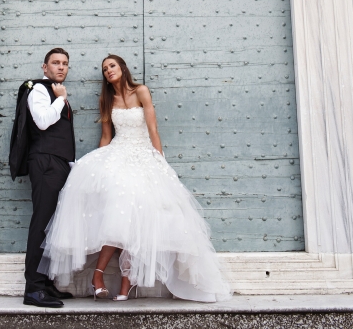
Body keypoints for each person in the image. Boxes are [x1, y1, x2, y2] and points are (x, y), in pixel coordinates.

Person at [39, 54, 231, 302]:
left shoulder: (141, 91)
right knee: (119, 213)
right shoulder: (106, 100)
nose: (108, 70)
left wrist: (160, 160)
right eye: (105, 68)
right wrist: (98, 166)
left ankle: (126, 282)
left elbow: (152, 129)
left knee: (138, 215)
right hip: (118, 154)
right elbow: (106, 136)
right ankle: (99, 276)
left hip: (143, 155)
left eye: (112, 66)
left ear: (122, 68)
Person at [22, 47, 76, 308]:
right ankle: (32, 288)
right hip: (44, 163)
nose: (61, 67)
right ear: (45, 68)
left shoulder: (54, 92)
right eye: (55, 63)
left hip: (57, 164)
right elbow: (42, 122)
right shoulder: (40, 91)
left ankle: (44, 284)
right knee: (41, 223)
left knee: (51, 227)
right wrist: (60, 99)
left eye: (65, 63)